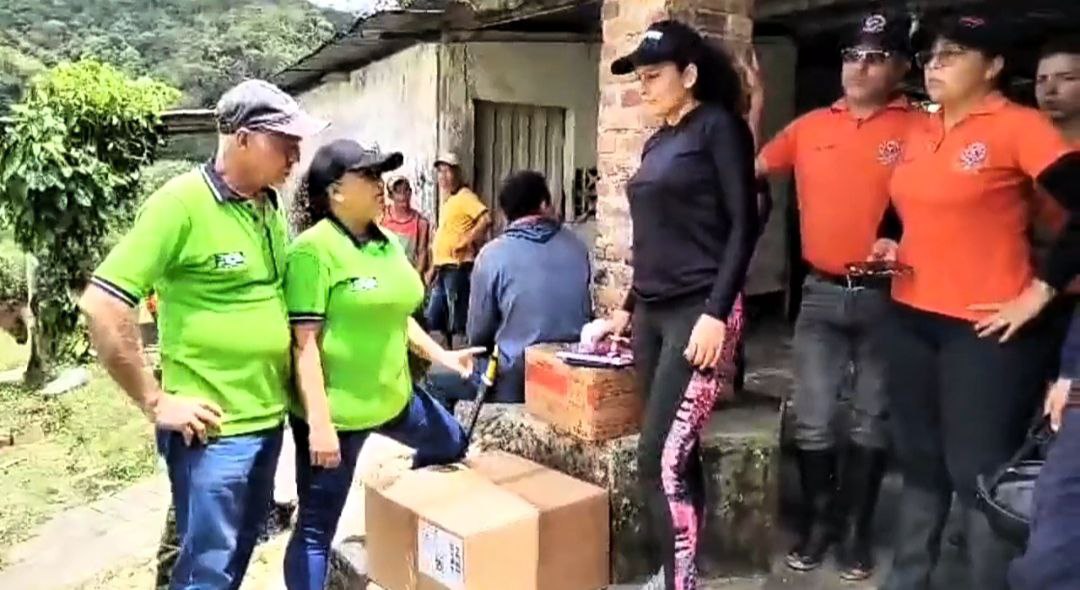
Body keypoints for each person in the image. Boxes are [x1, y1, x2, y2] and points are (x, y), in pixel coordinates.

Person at [78, 79, 327, 589]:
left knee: (234, 557)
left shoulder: (267, 205)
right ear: (242, 139)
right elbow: (103, 304)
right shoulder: (181, 205)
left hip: (265, 420)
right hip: (213, 435)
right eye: (284, 143)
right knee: (207, 570)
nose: (295, 157)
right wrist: (154, 401)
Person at [871, 15, 1080, 590]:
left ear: (993, 67)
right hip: (910, 316)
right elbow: (909, 203)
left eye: (952, 54)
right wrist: (890, 238)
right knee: (919, 461)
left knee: (977, 473)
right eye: (930, 56)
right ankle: (907, 580)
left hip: (983, 331)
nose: (934, 65)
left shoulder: (1021, 126)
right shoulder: (922, 126)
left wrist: (1041, 290)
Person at [597, 20, 759, 590]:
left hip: (699, 310)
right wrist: (626, 306)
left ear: (688, 74)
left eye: (654, 75)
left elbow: (744, 225)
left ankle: (678, 583)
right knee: (678, 456)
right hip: (651, 313)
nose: (643, 85)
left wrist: (718, 311)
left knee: (656, 460)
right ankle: (677, 570)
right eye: (639, 77)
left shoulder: (718, 128)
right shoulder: (657, 141)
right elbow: (652, 236)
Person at [755, 12, 914, 580]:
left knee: (872, 418)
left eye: (875, 57)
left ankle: (856, 533)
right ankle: (819, 525)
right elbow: (753, 167)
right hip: (821, 292)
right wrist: (754, 107)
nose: (859, 67)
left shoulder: (922, 127)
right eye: (851, 56)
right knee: (815, 417)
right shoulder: (811, 126)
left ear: (901, 68)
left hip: (891, 295)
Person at [283, 139, 480, 590]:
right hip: (338, 415)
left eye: (381, 174)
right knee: (316, 528)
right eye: (369, 175)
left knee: (451, 441)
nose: (381, 184)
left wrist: (443, 355)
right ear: (335, 191)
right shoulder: (313, 252)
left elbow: (397, 316)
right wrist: (319, 426)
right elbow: (304, 345)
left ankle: (399, 521)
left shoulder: (387, 242)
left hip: (394, 399)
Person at [1009, 34, 1080, 590]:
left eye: (1067, 78)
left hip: (1066, 299)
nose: (1050, 90)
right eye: (1041, 80)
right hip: (1027, 298)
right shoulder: (1027, 143)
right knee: (1029, 411)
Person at [427, 170, 591, 408]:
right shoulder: (577, 246)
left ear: (505, 213)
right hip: (568, 371)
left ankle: (449, 434)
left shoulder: (492, 255)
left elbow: (478, 336)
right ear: (544, 204)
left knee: (432, 380)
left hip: (514, 378)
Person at [425, 153, 491, 348]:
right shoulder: (449, 201)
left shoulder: (465, 197)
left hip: (458, 266)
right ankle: (444, 356)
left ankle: (460, 355)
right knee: (435, 316)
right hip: (444, 268)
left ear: (457, 173)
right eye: (440, 172)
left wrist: (467, 240)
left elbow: (486, 219)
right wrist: (432, 269)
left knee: (457, 317)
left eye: (448, 171)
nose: (443, 177)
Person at [380, 175, 431, 276]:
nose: (403, 195)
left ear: (410, 192)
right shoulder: (381, 216)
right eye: (398, 192)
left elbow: (422, 253)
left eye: (405, 190)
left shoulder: (420, 223)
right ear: (391, 196)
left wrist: (415, 276)